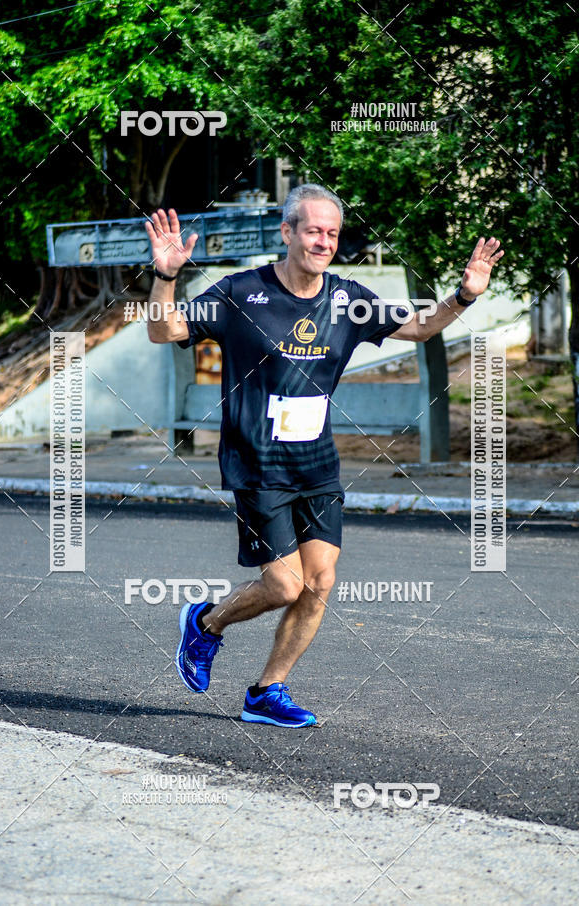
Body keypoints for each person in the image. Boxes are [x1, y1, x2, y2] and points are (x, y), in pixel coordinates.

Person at [145, 184, 503, 728]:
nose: (323, 242)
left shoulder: (346, 298)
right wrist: (166, 276)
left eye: (332, 233)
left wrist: (466, 294)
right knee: (283, 585)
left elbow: (422, 326)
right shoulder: (242, 292)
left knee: (320, 582)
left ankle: (267, 691)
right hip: (257, 461)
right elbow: (161, 329)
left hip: (317, 464)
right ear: (287, 232)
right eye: (313, 230)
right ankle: (206, 624)